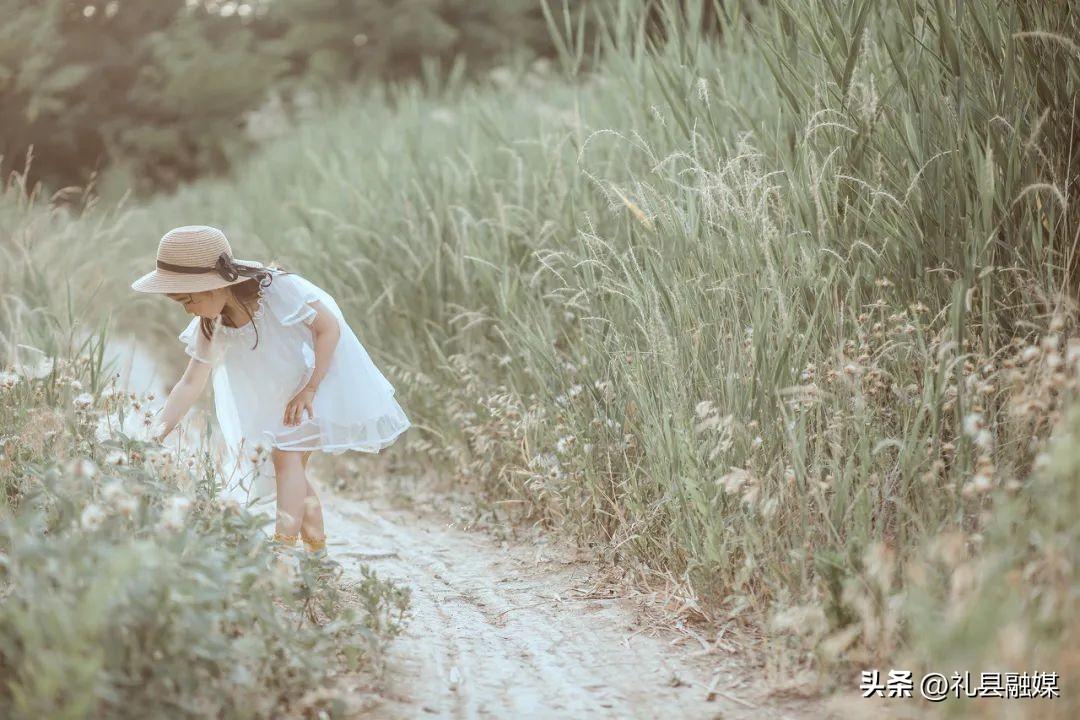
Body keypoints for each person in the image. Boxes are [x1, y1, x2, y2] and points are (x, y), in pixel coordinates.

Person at [131, 225, 410, 557]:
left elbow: (329, 327)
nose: (187, 309)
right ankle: (316, 553)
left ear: (213, 285)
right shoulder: (210, 323)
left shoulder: (280, 290)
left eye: (187, 299)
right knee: (293, 473)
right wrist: (155, 434)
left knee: (285, 458)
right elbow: (190, 383)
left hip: (311, 384)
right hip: (272, 399)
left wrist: (310, 388)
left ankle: (283, 551)